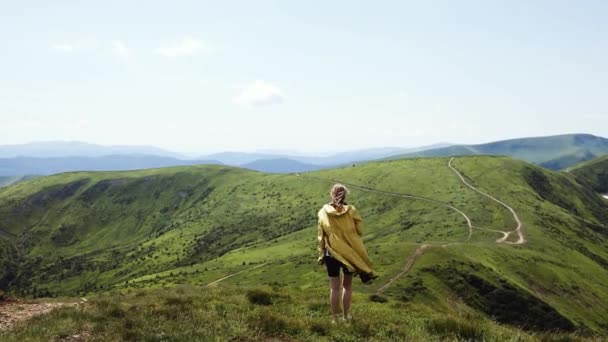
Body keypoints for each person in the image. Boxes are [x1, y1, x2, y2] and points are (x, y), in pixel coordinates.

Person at [317, 183, 378, 323]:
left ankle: (335, 319)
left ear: (331, 194)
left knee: (334, 288)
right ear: (345, 195)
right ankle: (346, 316)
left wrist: (321, 253)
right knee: (347, 286)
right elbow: (360, 231)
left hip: (331, 253)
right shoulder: (352, 211)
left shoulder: (322, 212)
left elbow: (320, 235)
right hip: (349, 254)